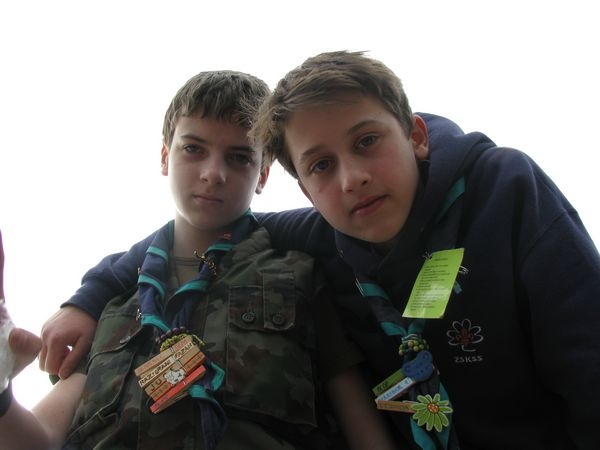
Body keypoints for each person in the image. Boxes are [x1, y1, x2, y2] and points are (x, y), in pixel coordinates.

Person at [39, 50, 600, 449]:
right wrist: (88, 297)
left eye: (367, 141)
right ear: (305, 191)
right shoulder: (318, 235)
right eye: (322, 165)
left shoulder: (504, 189)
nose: (352, 179)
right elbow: (202, 232)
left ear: (415, 134)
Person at [0, 69, 397, 450]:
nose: (213, 173)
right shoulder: (111, 304)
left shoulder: (300, 275)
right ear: (164, 156)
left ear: (262, 176)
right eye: (193, 149)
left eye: (239, 157)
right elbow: (36, 440)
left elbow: (364, 432)